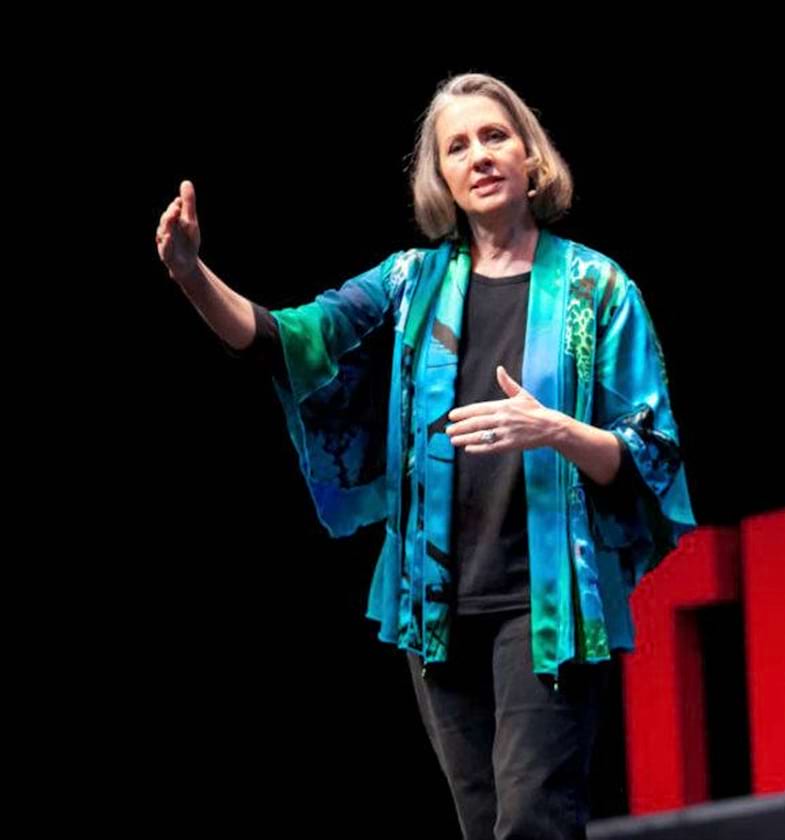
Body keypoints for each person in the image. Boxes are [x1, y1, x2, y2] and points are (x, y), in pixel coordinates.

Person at [154, 72, 695, 839]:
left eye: (494, 136)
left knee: (535, 824)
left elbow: (650, 454)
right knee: (483, 829)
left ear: (529, 157)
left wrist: (557, 431)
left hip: (548, 604)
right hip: (436, 602)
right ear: (439, 175)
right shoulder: (410, 283)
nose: (478, 155)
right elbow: (285, 339)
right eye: (457, 145)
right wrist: (190, 274)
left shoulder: (595, 287)